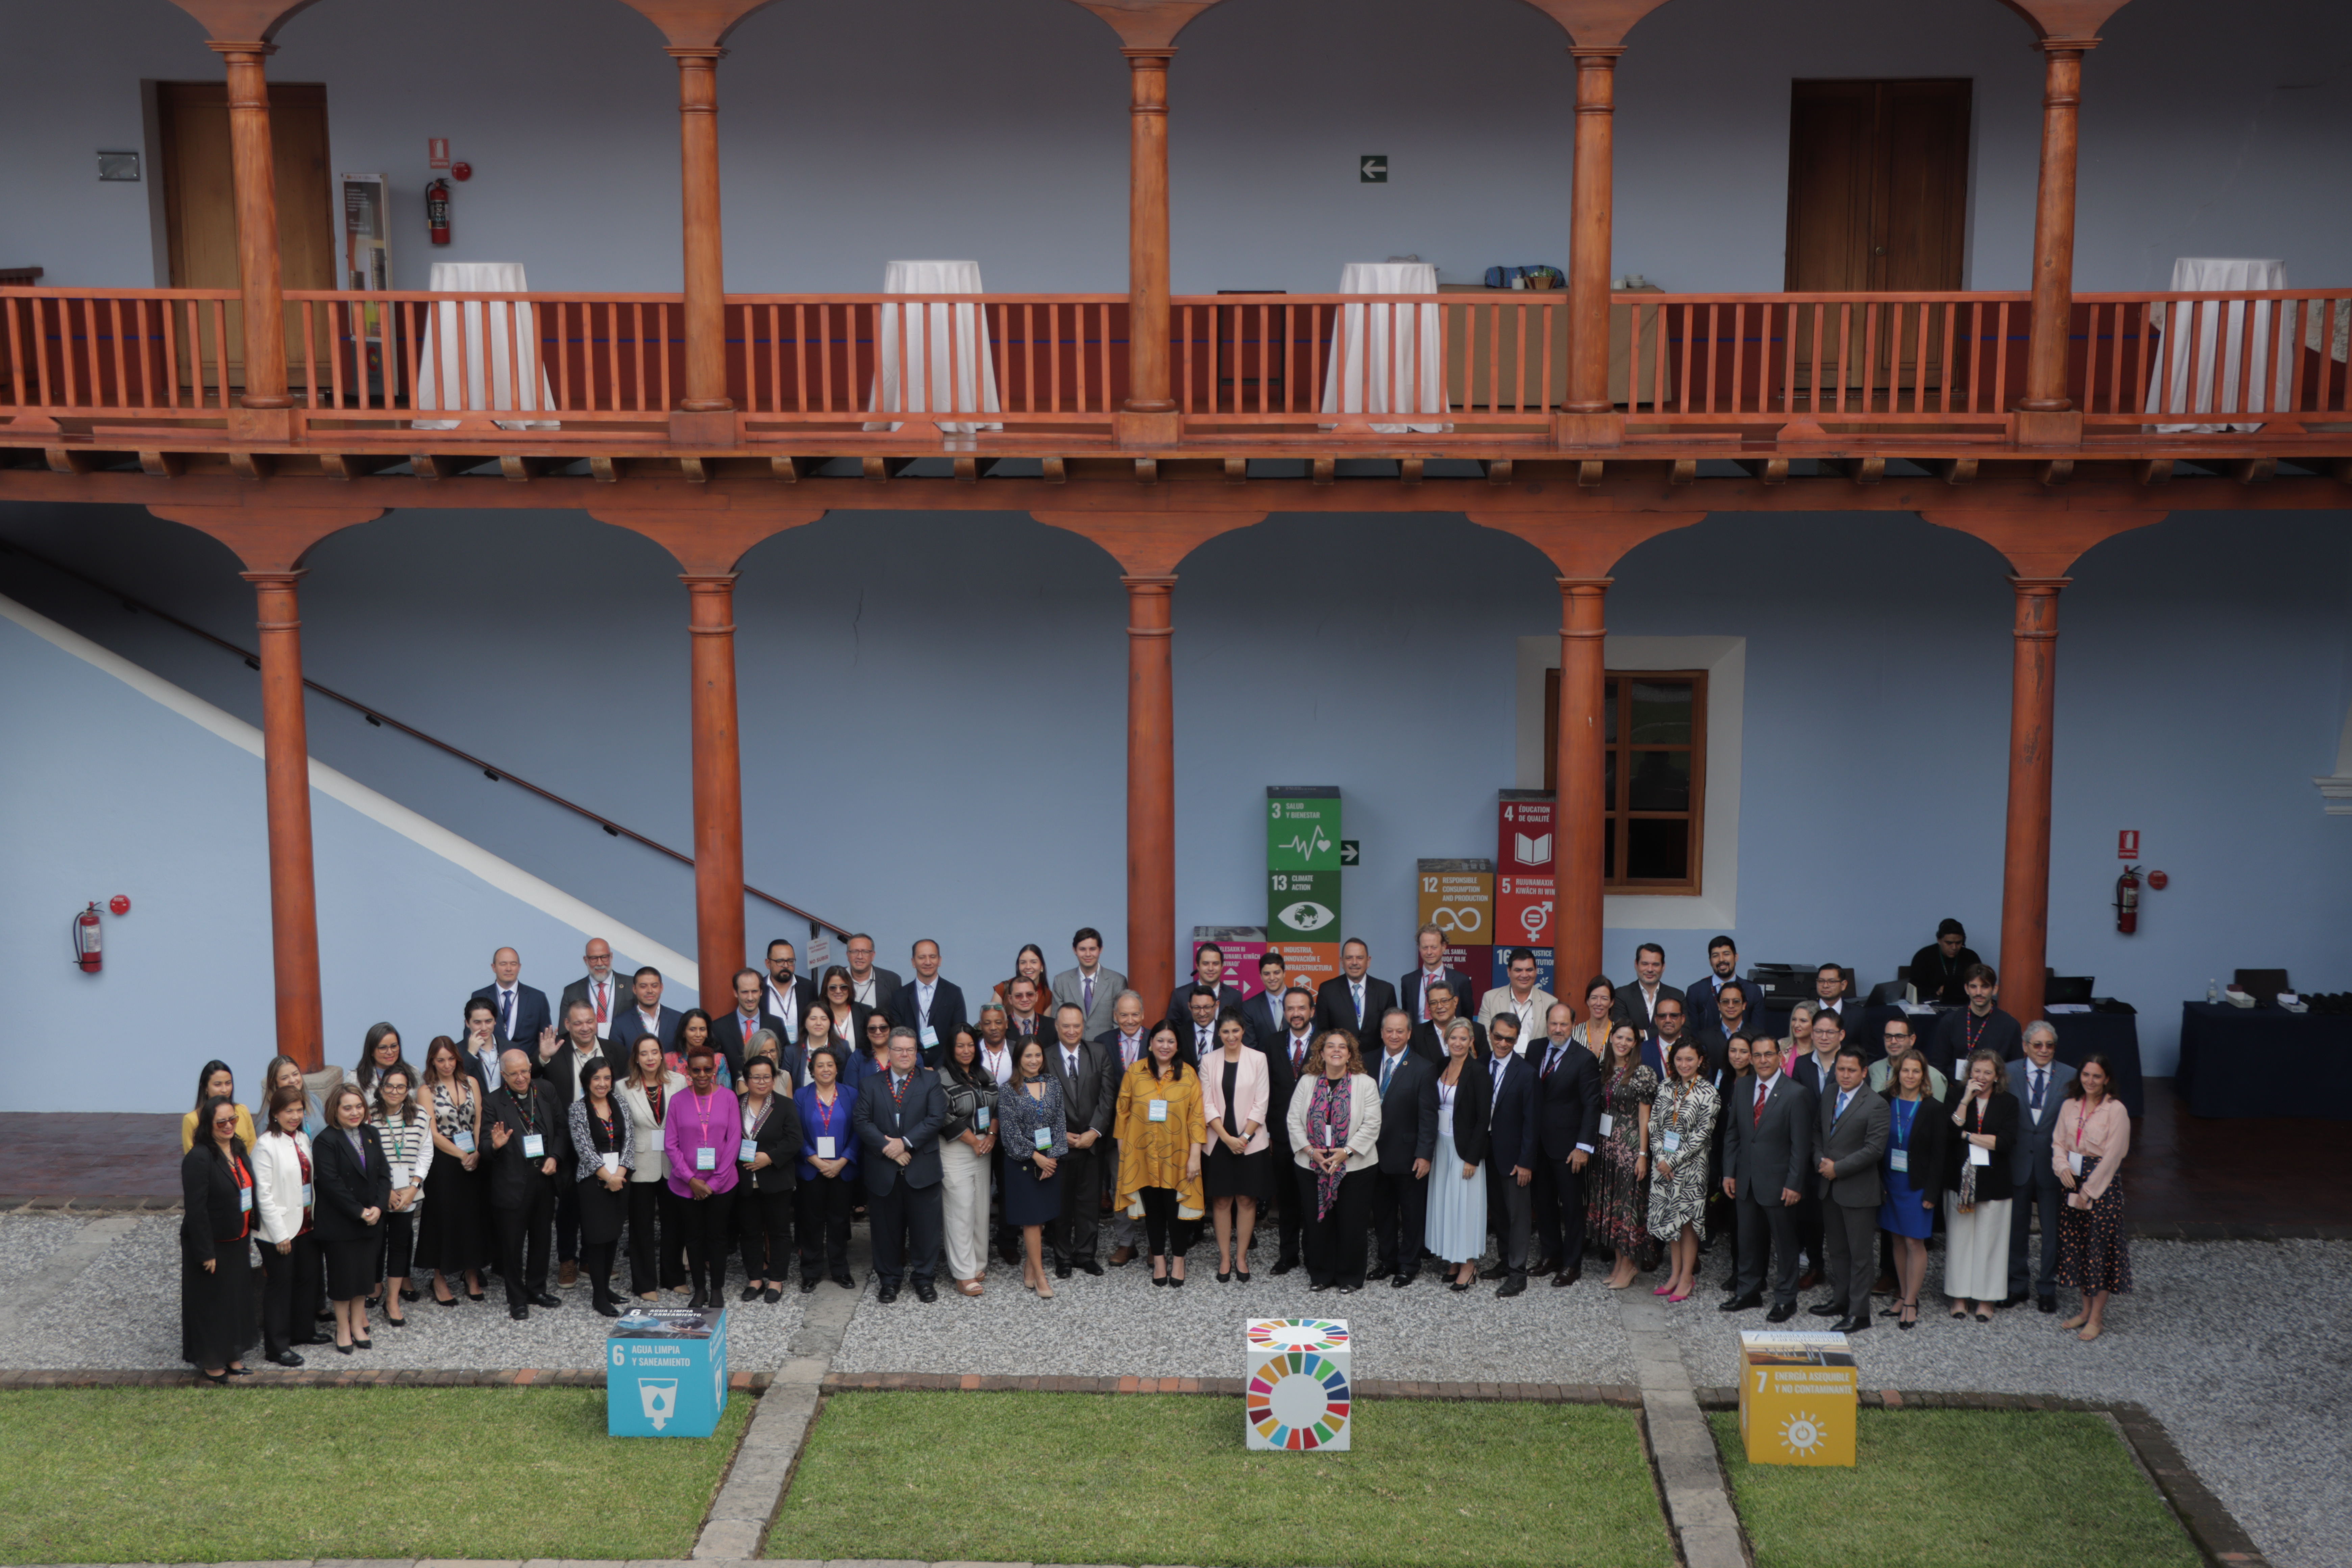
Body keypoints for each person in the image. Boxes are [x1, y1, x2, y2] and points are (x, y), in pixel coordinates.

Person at [1720, 1029, 1813, 1322]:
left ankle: (1786, 1299)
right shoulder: (1744, 1086)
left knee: (1785, 1246)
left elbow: (1801, 1145)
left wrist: (1795, 1183)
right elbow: (1733, 1134)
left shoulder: (1796, 1093)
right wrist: (1729, 1173)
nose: (1762, 1060)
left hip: (1780, 1183)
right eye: (1757, 1055)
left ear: (1780, 1056)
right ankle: (1748, 1292)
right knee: (1748, 1241)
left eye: (1768, 1054)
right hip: (1745, 1180)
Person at [854, 1028, 946, 1303]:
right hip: (884, 1171)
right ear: (889, 1052)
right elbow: (861, 1121)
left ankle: (924, 1279)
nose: (905, 1055)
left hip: (922, 1169)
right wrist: (888, 1148)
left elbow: (936, 1118)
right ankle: (889, 1280)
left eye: (911, 1050)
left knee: (926, 1231)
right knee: (885, 1231)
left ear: (916, 1053)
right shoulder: (870, 1084)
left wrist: (903, 1143)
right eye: (900, 1049)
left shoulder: (930, 1080)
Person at [1288, 1030, 1381, 1293]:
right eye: (1331, 1047)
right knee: (1319, 1224)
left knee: (1352, 1223)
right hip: (1312, 1165)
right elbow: (1294, 1120)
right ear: (1321, 1053)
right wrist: (1310, 1151)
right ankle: (1320, 1274)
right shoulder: (1307, 1082)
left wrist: (1346, 1152)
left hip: (1354, 1166)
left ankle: (1350, 1277)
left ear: (1350, 1054)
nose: (1337, 1051)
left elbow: (1373, 1124)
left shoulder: (1365, 1083)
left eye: (1343, 1047)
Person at [1113, 1020, 1205, 1287]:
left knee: (1175, 1210)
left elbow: (1197, 1118)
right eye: (1160, 1040)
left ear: (1178, 1046)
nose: (1165, 1046)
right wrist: (1124, 1156)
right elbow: (1122, 1113)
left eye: (1171, 1041)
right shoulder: (1135, 1072)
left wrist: (1195, 1155)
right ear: (1151, 1043)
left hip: (1179, 1155)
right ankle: (1159, 1260)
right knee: (1153, 1211)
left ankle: (1179, 1259)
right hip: (1141, 1154)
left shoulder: (1188, 1075)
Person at [1808, 1047, 1889, 1334]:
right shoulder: (1830, 1093)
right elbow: (1818, 1129)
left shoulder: (1876, 1104)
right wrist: (1819, 1159)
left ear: (1864, 1072)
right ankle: (1841, 1301)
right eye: (1841, 1069)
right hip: (1829, 1186)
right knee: (1838, 1251)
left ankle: (1860, 1313)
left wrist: (1837, 1168)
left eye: (1851, 1070)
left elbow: (1874, 1150)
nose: (1845, 1075)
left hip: (1857, 1190)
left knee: (1860, 1255)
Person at [180, 1095, 259, 1382]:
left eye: (232, 1120)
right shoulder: (199, 1158)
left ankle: (234, 1356)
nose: (228, 1126)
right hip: (212, 1244)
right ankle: (213, 1362)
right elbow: (196, 1209)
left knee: (235, 1301)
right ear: (208, 1125)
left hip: (237, 1238)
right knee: (212, 1304)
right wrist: (206, 1252)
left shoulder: (238, 1148)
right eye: (221, 1122)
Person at [485, 1048, 567, 1321]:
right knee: (512, 1246)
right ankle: (517, 1299)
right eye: (514, 1074)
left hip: (544, 1178)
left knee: (542, 1240)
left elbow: (562, 1128)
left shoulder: (545, 1090)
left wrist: (555, 1157)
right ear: (503, 1075)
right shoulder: (493, 1102)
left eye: (525, 1071)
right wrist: (495, 1147)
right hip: (511, 1182)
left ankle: (537, 1289)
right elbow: (485, 1147)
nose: (521, 1078)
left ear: (531, 1069)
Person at [2054, 1054, 2130, 1342]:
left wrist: (2088, 1191)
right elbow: (2058, 1142)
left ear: (2106, 1079)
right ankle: (2084, 1311)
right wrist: (2061, 1166)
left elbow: (2113, 1157)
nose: (2090, 1081)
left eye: (2097, 1076)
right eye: (2086, 1075)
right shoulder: (2069, 1106)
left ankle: (2097, 1318)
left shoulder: (2116, 1111)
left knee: (2100, 1251)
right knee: (2079, 1248)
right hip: (2071, 1179)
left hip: (2101, 1186)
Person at [535, 999, 609, 1289]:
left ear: (597, 1021)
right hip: (566, 1139)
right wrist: (542, 1059)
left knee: (598, 1201)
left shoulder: (612, 1049)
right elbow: (527, 1078)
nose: (584, 1028)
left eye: (589, 1021)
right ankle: (567, 1262)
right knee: (568, 1204)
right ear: (567, 1025)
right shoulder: (555, 1051)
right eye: (577, 1023)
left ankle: (591, 1259)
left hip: (604, 1138)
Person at [1942, 1046, 2018, 1321]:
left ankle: (1986, 1300)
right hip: (1959, 1180)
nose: (1982, 1077)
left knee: (1991, 1242)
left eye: (1988, 1072)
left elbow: (2005, 1142)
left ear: (1998, 1076)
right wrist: (1965, 1100)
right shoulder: (1955, 1095)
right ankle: (1959, 1297)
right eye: (1977, 1071)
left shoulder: (2009, 1102)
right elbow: (1950, 1132)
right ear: (1969, 1073)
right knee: (1960, 1240)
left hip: (1995, 1182)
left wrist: (1967, 1136)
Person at [313, 1083, 390, 1352]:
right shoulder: (326, 1140)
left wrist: (379, 1208)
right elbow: (330, 1183)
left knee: (364, 1277)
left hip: (372, 1218)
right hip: (341, 1222)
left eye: (359, 1106)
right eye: (348, 1108)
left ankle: (358, 1324)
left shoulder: (370, 1133)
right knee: (343, 1278)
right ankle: (343, 1328)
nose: (355, 1112)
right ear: (335, 1109)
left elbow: (384, 1174)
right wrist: (359, 1211)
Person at [664, 1044, 742, 1310]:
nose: (702, 1074)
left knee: (718, 1237)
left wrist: (714, 1183)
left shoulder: (729, 1098)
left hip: (722, 1183)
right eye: (696, 1069)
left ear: (715, 1069)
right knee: (694, 1237)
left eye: (707, 1069)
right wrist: (692, 1180)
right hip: (687, 1186)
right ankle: (699, 1289)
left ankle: (717, 1288)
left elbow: (733, 1142)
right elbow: (671, 1145)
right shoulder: (677, 1101)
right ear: (687, 1070)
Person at [2006, 1022, 2077, 1312]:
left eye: (2050, 1045)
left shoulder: (2072, 1076)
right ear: (2025, 1046)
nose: (2044, 1050)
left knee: (2052, 1231)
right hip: (2018, 1162)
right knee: (2015, 1229)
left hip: (2053, 1166)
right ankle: (2016, 1285)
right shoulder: (2008, 1072)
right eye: (2038, 1045)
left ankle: (2048, 1287)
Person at [1532, 1002, 1603, 1287]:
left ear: (1573, 1025)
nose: (1558, 1029)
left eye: (1563, 1024)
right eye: (1553, 1024)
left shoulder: (1584, 1059)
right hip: (1538, 1144)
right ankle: (1551, 1256)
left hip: (1569, 1148)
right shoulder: (1536, 1049)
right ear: (1547, 1024)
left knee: (1572, 1208)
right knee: (1544, 1204)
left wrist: (1584, 1147)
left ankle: (1572, 1264)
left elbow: (1591, 1106)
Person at [1200, 1007, 1272, 1283]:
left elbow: (1261, 1101)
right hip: (1219, 1140)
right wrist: (1228, 1138)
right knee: (1221, 1201)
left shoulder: (1258, 1059)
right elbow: (1206, 1103)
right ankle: (1225, 1258)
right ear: (1219, 1033)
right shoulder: (1209, 1061)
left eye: (1236, 1031)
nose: (1231, 1036)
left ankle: (1241, 1257)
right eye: (1226, 1032)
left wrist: (1244, 1138)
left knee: (1246, 1199)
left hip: (1250, 1142)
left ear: (1243, 1032)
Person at [251, 1084, 320, 1366]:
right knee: (280, 1286)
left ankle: (303, 1332)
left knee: (307, 1279)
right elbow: (263, 1194)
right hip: (277, 1230)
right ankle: (277, 1347)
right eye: (288, 1111)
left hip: (305, 1221)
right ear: (275, 1114)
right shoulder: (266, 1145)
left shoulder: (303, 1138)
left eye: (299, 1110)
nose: (295, 1116)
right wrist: (280, 1234)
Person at [1043, 1003, 1114, 1277]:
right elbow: (1039, 1102)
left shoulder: (1098, 1052)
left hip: (1091, 1143)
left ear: (1083, 1026)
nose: (1072, 1031)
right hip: (1059, 1144)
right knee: (1061, 1205)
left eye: (1077, 1025)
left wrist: (1094, 1132)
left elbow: (1108, 1097)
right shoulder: (1045, 1057)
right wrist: (1060, 1135)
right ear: (1057, 1027)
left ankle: (1085, 1255)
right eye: (1066, 1026)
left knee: (1089, 1203)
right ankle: (1062, 1258)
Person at [1877, 1051, 1947, 1331]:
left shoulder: (1934, 1108)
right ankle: (1903, 1294)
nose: (1910, 1076)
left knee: (1914, 1242)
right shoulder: (1885, 1102)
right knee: (1896, 1240)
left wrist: (1932, 1193)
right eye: (1905, 1071)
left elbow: (1939, 1156)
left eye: (1916, 1071)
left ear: (1923, 1075)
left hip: (1917, 1186)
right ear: (1898, 1073)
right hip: (1889, 1182)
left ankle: (1911, 1302)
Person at [1646, 1039, 1718, 1304]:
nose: (1684, 1065)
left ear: (1700, 1061)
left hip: (1690, 1168)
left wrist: (1673, 1160)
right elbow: (1654, 1124)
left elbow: (1701, 1135)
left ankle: (1687, 1277)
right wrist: (1660, 1157)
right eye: (1679, 1059)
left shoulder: (1709, 1092)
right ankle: (1674, 1275)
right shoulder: (1666, 1087)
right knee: (1670, 1222)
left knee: (1687, 1224)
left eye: (1690, 1059)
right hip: (1663, 1165)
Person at [1423, 1018, 1493, 1292]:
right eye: (1454, 1038)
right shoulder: (1440, 1066)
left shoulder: (1478, 1072)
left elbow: (1483, 1119)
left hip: (1464, 1150)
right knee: (1446, 1204)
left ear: (1471, 1042)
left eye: (1464, 1039)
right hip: (1441, 1146)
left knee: (1464, 1207)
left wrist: (1473, 1158)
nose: (1458, 1043)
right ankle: (1453, 1258)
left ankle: (1468, 1265)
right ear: (1447, 1040)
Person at [1367, 1009, 1435, 1287]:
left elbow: (1428, 1117)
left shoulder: (1423, 1067)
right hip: (1372, 1154)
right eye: (1389, 1031)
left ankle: (1408, 1264)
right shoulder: (1366, 1061)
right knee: (1382, 1212)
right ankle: (1387, 1260)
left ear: (1409, 1034)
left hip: (1408, 1155)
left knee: (1411, 1213)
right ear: (1382, 1033)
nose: (1394, 1036)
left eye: (1400, 1031)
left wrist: (1424, 1154)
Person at [1590, 1021, 1661, 1288]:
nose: (1622, 1043)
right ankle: (1619, 1263)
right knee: (1614, 1208)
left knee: (1629, 1208)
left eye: (1629, 1039)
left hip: (1631, 1147)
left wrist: (1643, 1154)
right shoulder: (1606, 1070)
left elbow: (1646, 1117)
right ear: (1611, 1040)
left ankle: (1630, 1266)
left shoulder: (1642, 1073)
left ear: (1635, 1044)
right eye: (1619, 1037)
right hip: (1607, 1148)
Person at [617, 1035, 687, 1300]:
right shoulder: (622, 1087)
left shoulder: (678, 1081)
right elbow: (622, 1130)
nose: (650, 1058)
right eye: (644, 1053)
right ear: (636, 1057)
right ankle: (645, 1284)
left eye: (655, 1052)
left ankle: (674, 1278)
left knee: (674, 1224)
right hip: (640, 1163)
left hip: (673, 1163)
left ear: (662, 1055)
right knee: (641, 1226)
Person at [416, 1038, 484, 1306]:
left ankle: (471, 1273)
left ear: (458, 1059)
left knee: (472, 1217)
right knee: (442, 1217)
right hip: (444, 1160)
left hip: (474, 1157)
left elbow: (479, 1119)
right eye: (440, 1060)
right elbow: (430, 1132)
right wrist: (462, 1155)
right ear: (432, 1061)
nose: (446, 1065)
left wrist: (478, 1152)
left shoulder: (472, 1083)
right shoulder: (426, 1090)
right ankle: (440, 1277)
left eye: (451, 1059)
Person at [998, 1036, 1068, 1297]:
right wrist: (1036, 1157)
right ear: (1018, 1059)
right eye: (1028, 1056)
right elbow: (1010, 1134)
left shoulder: (1052, 1084)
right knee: (1031, 1220)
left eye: (1038, 1055)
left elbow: (1060, 1123)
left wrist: (1053, 1159)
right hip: (1023, 1164)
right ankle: (1040, 1276)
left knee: (1042, 1220)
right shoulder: (1008, 1089)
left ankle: (1030, 1265)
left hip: (1050, 1161)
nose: (1034, 1061)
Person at [1477, 1013, 1539, 1296]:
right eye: (1498, 1036)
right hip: (1484, 1153)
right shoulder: (1478, 1065)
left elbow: (1532, 1122)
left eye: (1510, 1039)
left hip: (1514, 1157)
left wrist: (1526, 1162)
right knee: (1499, 1213)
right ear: (1490, 1034)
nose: (1503, 1043)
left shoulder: (1526, 1072)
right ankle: (1504, 1261)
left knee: (1518, 1216)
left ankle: (1518, 1273)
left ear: (1517, 1040)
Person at [568, 1055, 635, 1316]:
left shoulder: (619, 1102)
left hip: (621, 1177)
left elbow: (629, 1140)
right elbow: (583, 1148)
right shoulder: (578, 1109)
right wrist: (608, 1177)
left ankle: (606, 1288)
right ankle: (598, 1297)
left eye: (607, 1078)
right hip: (594, 1181)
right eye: (597, 1078)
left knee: (613, 1235)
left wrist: (620, 1174)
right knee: (597, 1238)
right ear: (587, 1081)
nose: (603, 1083)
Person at [936, 1026, 999, 1295]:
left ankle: (977, 1264)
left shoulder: (984, 1075)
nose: (966, 1051)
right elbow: (944, 1116)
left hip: (985, 1148)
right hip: (957, 1149)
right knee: (959, 1210)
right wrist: (974, 1141)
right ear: (952, 1049)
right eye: (960, 1046)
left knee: (980, 1210)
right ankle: (963, 1274)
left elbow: (997, 1108)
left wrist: (992, 1137)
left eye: (971, 1045)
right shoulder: (941, 1078)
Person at [734, 1056, 801, 1305]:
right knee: (749, 1231)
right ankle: (755, 1279)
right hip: (744, 1178)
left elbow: (795, 1140)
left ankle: (776, 1280)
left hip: (776, 1179)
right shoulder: (735, 1103)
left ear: (774, 1080)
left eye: (767, 1077)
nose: (762, 1082)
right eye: (756, 1077)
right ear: (747, 1080)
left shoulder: (784, 1105)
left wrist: (770, 1158)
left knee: (779, 1231)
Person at [367, 1063, 430, 1324]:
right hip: (378, 1193)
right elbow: (365, 1159)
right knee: (374, 1243)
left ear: (408, 1090)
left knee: (400, 1244)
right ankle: (373, 1286)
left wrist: (414, 1186)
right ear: (381, 1089)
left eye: (401, 1087)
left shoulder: (421, 1114)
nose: (395, 1091)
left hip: (409, 1193)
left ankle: (392, 1300)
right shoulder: (368, 1116)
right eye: (389, 1086)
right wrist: (387, 1191)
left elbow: (426, 1152)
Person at [794, 1044, 858, 1292]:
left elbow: (858, 1132)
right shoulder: (801, 1095)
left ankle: (840, 1269)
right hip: (812, 1169)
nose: (826, 1069)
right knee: (811, 1221)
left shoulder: (851, 1094)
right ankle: (811, 1271)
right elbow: (797, 1133)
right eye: (820, 1065)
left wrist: (843, 1161)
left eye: (830, 1065)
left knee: (840, 1221)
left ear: (837, 1069)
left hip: (843, 1168)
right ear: (812, 1069)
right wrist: (816, 1160)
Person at [1263, 986, 1317, 1275]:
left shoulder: (1326, 1042)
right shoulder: (1272, 1043)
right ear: (1284, 1013)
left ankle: (1312, 1254)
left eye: (1302, 1008)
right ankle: (1288, 1255)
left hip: (1317, 1137)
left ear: (1312, 1010)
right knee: (1286, 1199)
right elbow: (1265, 1090)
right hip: (1282, 1135)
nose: (1296, 1014)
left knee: (1312, 1197)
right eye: (1290, 1009)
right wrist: (1269, 1133)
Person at [1095, 990, 1151, 1267]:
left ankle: (1155, 1245)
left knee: (1154, 1185)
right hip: (1116, 1130)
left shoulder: (1157, 1039)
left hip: (1153, 1131)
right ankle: (1126, 1243)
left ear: (1143, 1014)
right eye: (1124, 1015)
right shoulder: (1102, 1042)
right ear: (1115, 1016)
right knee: (1121, 1186)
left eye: (1135, 1014)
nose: (1130, 1020)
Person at [1707, 1034, 1756, 1287]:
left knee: (1745, 1223)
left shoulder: (1756, 1083)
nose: (1737, 1056)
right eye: (1733, 1051)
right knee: (1734, 1219)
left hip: (1748, 1159)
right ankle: (1739, 1271)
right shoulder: (1723, 1080)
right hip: (1724, 1153)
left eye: (1743, 1051)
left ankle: (1746, 1274)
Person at [1929, 964, 2024, 1074]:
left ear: (1995, 989)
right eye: (1974, 987)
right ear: (1967, 989)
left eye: (1985, 987)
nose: (1979, 992)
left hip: (1996, 1089)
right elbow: (1938, 1066)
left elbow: (2016, 1069)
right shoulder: (1950, 1022)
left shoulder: (2010, 1025)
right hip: (1957, 1089)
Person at [888, 939, 969, 1061]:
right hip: (909, 1064)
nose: (928, 962)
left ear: (940, 960)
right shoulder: (900, 996)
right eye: (922, 958)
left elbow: (959, 1036)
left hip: (945, 1067)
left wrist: (938, 1067)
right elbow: (896, 1036)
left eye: (933, 957)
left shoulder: (954, 993)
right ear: (913, 962)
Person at [1313, 937, 1398, 1039]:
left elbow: (1391, 1029)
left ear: (1368, 961)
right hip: (1340, 1054)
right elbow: (1322, 1032)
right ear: (1342, 961)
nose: (1354, 962)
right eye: (1349, 958)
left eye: (1360, 958)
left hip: (1377, 1055)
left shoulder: (1386, 990)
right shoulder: (1327, 990)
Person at [472, 947, 553, 1052]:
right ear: (494, 967)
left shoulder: (538, 998)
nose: (509, 969)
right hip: (490, 1065)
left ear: (519, 967)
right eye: (503, 964)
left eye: (513, 964)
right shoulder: (479, 997)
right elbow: (470, 1037)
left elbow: (546, 1039)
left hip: (529, 1066)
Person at [1052, 927, 1126, 1041]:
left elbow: (1119, 1022)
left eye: (1092, 949)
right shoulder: (1062, 981)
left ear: (1101, 949)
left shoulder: (1117, 981)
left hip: (1106, 1050)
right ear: (1075, 950)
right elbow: (1057, 1022)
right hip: (1073, 1049)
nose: (1088, 954)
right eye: (1082, 949)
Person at [711, 969, 783, 1083]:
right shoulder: (719, 1028)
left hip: (772, 1095)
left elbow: (783, 1063)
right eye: (745, 992)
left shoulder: (776, 1024)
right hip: (735, 1098)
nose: (750, 998)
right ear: (736, 992)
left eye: (754, 991)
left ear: (761, 992)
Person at [1685, 935, 1764, 1038]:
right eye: (1716, 956)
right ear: (1710, 961)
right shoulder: (1696, 991)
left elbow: (1758, 1035)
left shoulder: (1753, 991)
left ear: (1736, 957)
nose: (1721, 960)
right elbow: (1693, 1035)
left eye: (1726, 954)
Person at [1402, 924, 1477, 1024]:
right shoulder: (1408, 981)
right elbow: (1406, 1017)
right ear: (1419, 948)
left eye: (1434, 947)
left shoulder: (1461, 981)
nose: (1429, 952)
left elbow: (1467, 1019)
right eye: (1425, 947)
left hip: (1450, 1038)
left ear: (1444, 947)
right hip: (1417, 1038)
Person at [1477, 948, 1556, 1042]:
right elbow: (1485, 1038)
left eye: (1529, 970)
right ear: (1509, 972)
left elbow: (1553, 1039)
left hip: (1537, 1057)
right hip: (1500, 1056)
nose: (1524, 975)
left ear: (1536, 971)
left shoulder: (1551, 1003)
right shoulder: (1490, 999)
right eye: (1518, 970)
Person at [559, 935, 627, 1042]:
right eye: (594, 959)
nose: (600, 964)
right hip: (586, 1054)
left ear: (611, 957)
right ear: (586, 960)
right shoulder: (572, 992)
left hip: (623, 1054)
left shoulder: (630, 985)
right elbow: (564, 1032)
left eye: (604, 957)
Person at [1165, 941, 1246, 1029]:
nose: (1211, 968)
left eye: (1216, 964)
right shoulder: (1180, 996)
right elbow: (1171, 1032)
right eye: (1206, 964)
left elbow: (1239, 1030)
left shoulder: (1235, 997)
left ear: (1222, 966)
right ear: (1198, 966)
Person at [1866, 1015, 1948, 1099]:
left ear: (1912, 1039)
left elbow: (1938, 1111)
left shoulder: (1934, 1077)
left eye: (1900, 1037)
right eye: (1888, 1037)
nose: (1893, 1041)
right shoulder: (1874, 1069)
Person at [181, 1061, 254, 1153]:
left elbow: (253, 1148)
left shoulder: (242, 1111)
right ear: (205, 1087)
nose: (225, 1090)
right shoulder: (192, 1119)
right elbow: (193, 1159)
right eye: (218, 1085)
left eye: (228, 1083)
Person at [1907, 918, 1981, 1009]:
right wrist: (1937, 992)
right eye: (1949, 943)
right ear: (1939, 940)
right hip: (1931, 1006)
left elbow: (1979, 985)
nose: (1954, 948)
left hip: (1964, 1006)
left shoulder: (1971, 957)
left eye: (1959, 943)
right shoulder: (1923, 956)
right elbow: (1915, 989)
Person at [1612, 943, 1682, 1035]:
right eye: (1645, 964)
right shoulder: (1622, 995)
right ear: (1636, 965)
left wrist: (1645, 1034)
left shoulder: (1677, 996)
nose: (1650, 969)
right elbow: (1621, 1031)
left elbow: (1684, 1031)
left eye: (1656, 965)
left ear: (1663, 967)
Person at [1409, 980, 1485, 1065]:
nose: (1440, 1006)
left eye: (1445, 1001)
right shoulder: (1417, 1034)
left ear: (1455, 1002)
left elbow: (1485, 1067)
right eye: (1434, 1003)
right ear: (1428, 1007)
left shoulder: (1477, 1030)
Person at [763, 939, 819, 1045]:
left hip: (801, 1054)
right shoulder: (759, 989)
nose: (786, 966)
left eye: (791, 961)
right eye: (780, 961)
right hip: (770, 1055)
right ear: (768, 964)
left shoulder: (808, 988)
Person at [621, 966, 684, 1058]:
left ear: (661, 987)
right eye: (643, 986)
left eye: (654, 986)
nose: (650, 991)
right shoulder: (621, 1023)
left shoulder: (678, 1019)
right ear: (634, 989)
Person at [670, 1008, 729, 1090]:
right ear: (683, 1032)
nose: (698, 1035)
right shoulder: (669, 1061)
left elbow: (725, 1094)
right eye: (693, 1030)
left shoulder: (719, 1060)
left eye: (702, 1029)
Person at [844, 932, 901, 1012]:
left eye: (865, 952)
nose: (860, 957)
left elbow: (899, 1014)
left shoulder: (892, 980)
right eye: (855, 952)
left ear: (873, 955)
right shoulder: (835, 977)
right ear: (848, 955)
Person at [820, 967, 874, 1050]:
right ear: (826, 990)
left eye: (844, 987)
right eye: (833, 988)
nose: (838, 991)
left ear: (850, 989)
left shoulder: (865, 1012)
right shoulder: (818, 1014)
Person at [352, 1023, 407, 1104]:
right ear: (371, 1051)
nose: (390, 1052)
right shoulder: (355, 1078)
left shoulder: (413, 1073)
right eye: (383, 1048)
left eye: (394, 1046)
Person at [462, 998, 505, 1097]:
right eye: (478, 1023)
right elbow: (455, 1082)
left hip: (507, 1109)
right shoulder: (456, 1050)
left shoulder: (510, 1047)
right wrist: (471, 1054)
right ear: (468, 1023)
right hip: (475, 1109)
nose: (484, 1028)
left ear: (495, 1021)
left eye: (489, 1021)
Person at [1645, 995, 1692, 1080]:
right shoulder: (1642, 1051)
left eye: (1674, 1015)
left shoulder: (1697, 1050)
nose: (1668, 1020)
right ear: (1656, 1020)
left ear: (1683, 1019)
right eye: (1662, 1016)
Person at [1810, 962, 1860, 1035]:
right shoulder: (1805, 1012)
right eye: (1821, 981)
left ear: (1843, 985)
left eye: (1832, 982)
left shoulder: (1858, 1014)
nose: (1825, 986)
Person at [1571, 977, 1616, 1056]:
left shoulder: (1619, 1033)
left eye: (1604, 999)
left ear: (1612, 1003)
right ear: (1588, 1001)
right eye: (1594, 998)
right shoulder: (1574, 1034)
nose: (1599, 1003)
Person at [1003, 976, 1048, 1042]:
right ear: (1010, 999)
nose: (1025, 999)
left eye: (1030, 994)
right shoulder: (1002, 1028)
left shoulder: (1052, 1026)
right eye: (1019, 996)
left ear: (1036, 996)